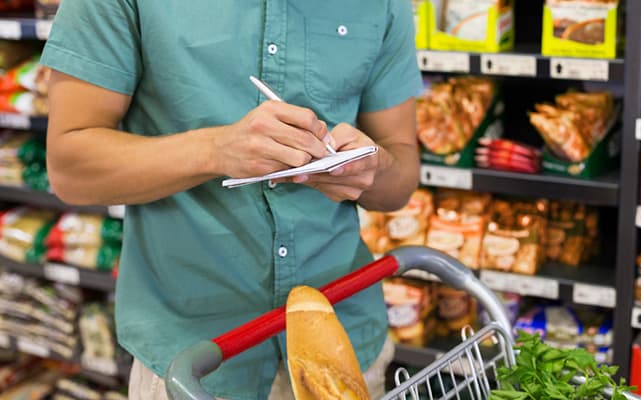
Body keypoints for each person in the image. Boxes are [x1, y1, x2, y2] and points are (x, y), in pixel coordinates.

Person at [40, 1, 422, 399]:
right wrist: (216, 150)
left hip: (344, 346)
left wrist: (371, 168)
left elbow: (401, 178)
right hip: (192, 363)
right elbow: (70, 168)